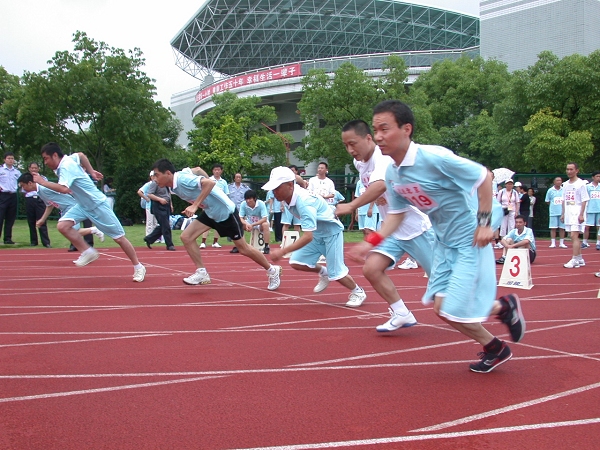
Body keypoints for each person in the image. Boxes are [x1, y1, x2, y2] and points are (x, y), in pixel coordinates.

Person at [351, 100, 524, 373]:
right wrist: (370, 242)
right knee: (442, 308)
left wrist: (483, 224)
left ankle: (501, 312)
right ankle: (497, 339)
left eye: (385, 129)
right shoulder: (394, 174)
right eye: (376, 129)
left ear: (406, 129)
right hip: (443, 243)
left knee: (454, 307)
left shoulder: (433, 157)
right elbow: (396, 215)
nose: (379, 136)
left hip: (469, 240)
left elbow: (484, 177)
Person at [336, 119, 434, 328]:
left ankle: (499, 306)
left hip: (416, 229)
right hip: (392, 230)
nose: (350, 150)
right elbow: (378, 187)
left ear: (368, 138)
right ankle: (401, 313)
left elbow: (379, 184)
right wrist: (378, 197)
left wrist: (352, 206)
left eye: (353, 143)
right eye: (346, 146)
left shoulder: (383, 157)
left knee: (445, 285)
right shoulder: (360, 163)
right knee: (371, 269)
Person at [151, 158, 281, 290]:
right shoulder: (177, 180)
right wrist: (197, 203)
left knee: (243, 248)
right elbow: (197, 169)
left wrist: (195, 205)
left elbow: (209, 183)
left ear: (168, 173)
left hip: (225, 213)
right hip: (210, 212)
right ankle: (202, 273)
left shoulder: (181, 180)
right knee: (186, 237)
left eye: (157, 175)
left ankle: (272, 270)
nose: (155, 179)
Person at [34, 143, 146, 282]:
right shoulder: (69, 160)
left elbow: (63, 189)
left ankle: (138, 266)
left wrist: (42, 182)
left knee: (119, 238)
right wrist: (91, 171)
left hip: (97, 204)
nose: (45, 162)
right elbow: (81, 155)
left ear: (55, 155)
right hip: (82, 205)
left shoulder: (66, 166)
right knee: (62, 226)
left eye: (46, 158)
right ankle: (88, 251)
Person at [264, 166, 367, 307]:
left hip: (331, 233)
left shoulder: (304, 202)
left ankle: (358, 291)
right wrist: (301, 181)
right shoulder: (290, 191)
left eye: (277, 188)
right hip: (318, 233)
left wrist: (282, 251)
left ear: (289, 185)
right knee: (297, 262)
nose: (274, 192)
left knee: (337, 273)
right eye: (272, 188)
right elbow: (298, 179)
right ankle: (323, 272)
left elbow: (307, 237)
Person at [18, 172, 105, 243]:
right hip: (65, 210)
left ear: (30, 183)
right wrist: (42, 219)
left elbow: (62, 189)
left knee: (70, 231)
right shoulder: (40, 192)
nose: (22, 188)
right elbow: (49, 205)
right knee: (68, 232)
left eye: (23, 186)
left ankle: (94, 231)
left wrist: (73, 192)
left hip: (72, 207)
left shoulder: (44, 188)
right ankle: (89, 243)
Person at [561, 162, 589, 269]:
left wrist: (581, 214)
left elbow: (584, 200)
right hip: (568, 212)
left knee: (574, 236)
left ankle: (574, 259)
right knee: (573, 236)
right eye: (567, 169)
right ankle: (580, 258)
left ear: (577, 170)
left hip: (577, 212)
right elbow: (564, 200)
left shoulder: (581, 184)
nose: (569, 171)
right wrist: (563, 213)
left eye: (571, 169)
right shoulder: (565, 184)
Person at [144, 173, 175, 251]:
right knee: (166, 225)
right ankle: (169, 244)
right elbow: (150, 194)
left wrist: (170, 204)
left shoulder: (165, 183)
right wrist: (160, 199)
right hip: (158, 206)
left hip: (166, 205)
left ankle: (149, 238)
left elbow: (168, 194)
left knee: (164, 225)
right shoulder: (154, 183)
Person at [200, 163, 229, 248]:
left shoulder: (223, 182)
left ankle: (215, 242)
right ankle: (203, 242)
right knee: (207, 223)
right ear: (212, 171)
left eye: (218, 170)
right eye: (215, 170)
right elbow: (203, 192)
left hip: (219, 205)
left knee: (218, 224)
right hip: (209, 204)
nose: (217, 171)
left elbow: (226, 194)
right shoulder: (208, 180)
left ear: (221, 171)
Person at [23, 162, 51, 247]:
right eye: (32, 168)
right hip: (30, 200)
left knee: (42, 221)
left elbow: (47, 188)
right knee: (31, 221)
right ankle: (33, 241)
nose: (34, 169)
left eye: (35, 168)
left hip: (40, 200)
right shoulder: (26, 178)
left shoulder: (43, 178)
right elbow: (24, 190)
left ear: (38, 169)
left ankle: (46, 242)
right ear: (29, 168)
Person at [239, 189, 271, 254]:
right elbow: (240, 217)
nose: (248, 201)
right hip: (249, 222)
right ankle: (241, 245)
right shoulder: (243, 204)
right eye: (246, 199)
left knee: (265, 224)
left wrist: (253, 225)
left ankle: (266, 246)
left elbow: (264, 218)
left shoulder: (261, 204)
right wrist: (246, 224)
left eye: (250, 199)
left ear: (255, 198)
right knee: (238, 224)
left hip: (259, 223)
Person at [0, 152, 22, 245]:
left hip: (13, 195)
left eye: (12, 158)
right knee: (0, 217)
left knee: (10, 218)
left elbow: (21, 181)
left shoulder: (16, 172)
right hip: (2, 195)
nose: (11, 160)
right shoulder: (1, 170)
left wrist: (18, 186)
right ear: (4, 159)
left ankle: (8, 238)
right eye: (9, 158)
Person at [227, 172, 251, 253]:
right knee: (232, 227)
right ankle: (237, 244)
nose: (238, 178)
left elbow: (250, 196)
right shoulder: (229, 187)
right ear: (234, 178)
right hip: (231, 210)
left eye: (239, 177)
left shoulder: (245, 188)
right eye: (236, 177)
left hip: (241, 211)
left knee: (240, 227)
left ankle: (239, 245)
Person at [496, 179, 519, 247]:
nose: (509, 185)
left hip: (512, 210)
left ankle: (509, 240)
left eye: (511, 184)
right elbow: (498, 201)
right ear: (505, 185)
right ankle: (503, 241)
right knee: (503, 226)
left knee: (511, 225)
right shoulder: (501, 191)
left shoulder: (514, 192)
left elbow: (517, 202)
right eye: (508, 184)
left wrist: (517, 212)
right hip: (504, 210)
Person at [137, 172, 159, 242]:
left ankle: (155, 238)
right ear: (151, 177)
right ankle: (149, 237)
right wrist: (146, 198)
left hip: (156, 205)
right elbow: (139, 192)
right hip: (149, 206)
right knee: (150, 222)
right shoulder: (148, 184)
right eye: (153, 176)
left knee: (156, 222)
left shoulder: (158, 184)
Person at [545, 177, 566, 248]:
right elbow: (547, 201)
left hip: (562, 212)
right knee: (553, 228)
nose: (559, 182)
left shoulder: (564, 189)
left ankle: (561, 243)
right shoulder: (550, 190)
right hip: (553, 212)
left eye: (560, 180)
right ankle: (553, 242)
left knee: (562, 228)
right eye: (557, 180)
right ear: (554, 182)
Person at [583, 171, 600, 250]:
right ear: (593, 177)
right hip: (589, 209)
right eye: (597, 176)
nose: (598, 178)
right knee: (587, 227)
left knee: (599, 227)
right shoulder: (588, 187)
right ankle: (585, 242)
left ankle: (598, 243)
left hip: (599, 210)